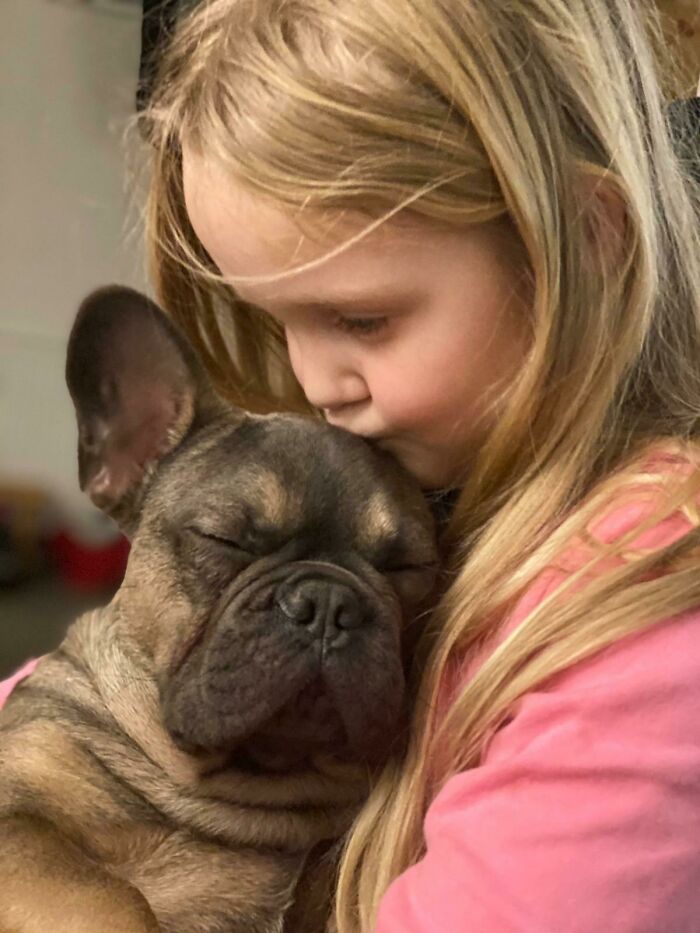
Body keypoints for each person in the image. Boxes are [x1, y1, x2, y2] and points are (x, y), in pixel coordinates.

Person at [5, 1, 700, 930]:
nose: (314, 381)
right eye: (272, 321)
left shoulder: (641, 625)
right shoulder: (433, 463)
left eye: (363, 319)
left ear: (582, 242)